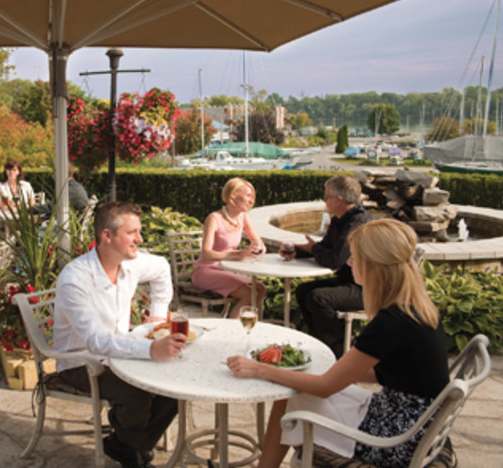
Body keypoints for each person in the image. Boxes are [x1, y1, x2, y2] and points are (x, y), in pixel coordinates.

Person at [227, 219, 449, 468]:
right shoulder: (414, 306)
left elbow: (324, 388)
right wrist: (332, 370)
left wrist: (260, 368)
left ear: (374, 266)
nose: (348, 263)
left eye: (354, 258)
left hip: (395, 438)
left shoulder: (391, 321)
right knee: (293, 391)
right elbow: (388, 372)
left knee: (291, 398)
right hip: (415, 422)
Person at [53, 201, 185, 468]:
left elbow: (160, 268)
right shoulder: (75, 278)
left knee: (176, 383)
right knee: (138, 390)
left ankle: (126, 444)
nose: (141, 239)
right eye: (132, 232)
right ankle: (131, 444)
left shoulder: (130, 264)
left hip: (120, 354)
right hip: (82, 362)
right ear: (107, 236)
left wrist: (158, 314)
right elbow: (95, 340)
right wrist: (150, 349)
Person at [281, 175, 369, 357]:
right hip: (348, 279)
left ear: (339, 200)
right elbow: (326, 248)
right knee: (303, 291)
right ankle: (320, 343)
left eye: (326, 197)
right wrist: (299, 251)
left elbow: (335, 259)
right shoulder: (340, 219)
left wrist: (314, 248)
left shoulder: (357, 223)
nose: (323, 200)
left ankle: (340, 351)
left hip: (366, 288)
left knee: (319, 298)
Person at [191, 177, 267, 318]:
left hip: (226, 269)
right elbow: (206, 253)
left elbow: (259, 243)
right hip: (206, 271)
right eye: (248, 196)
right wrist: (238, 255)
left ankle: (249, 326)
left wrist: (257, 248)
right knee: (249, 294)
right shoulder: (214, 219)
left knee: (261, 288)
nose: (252, 201)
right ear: (233, 195)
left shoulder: (242, 217)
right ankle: (234, 333)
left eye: (253, 197)